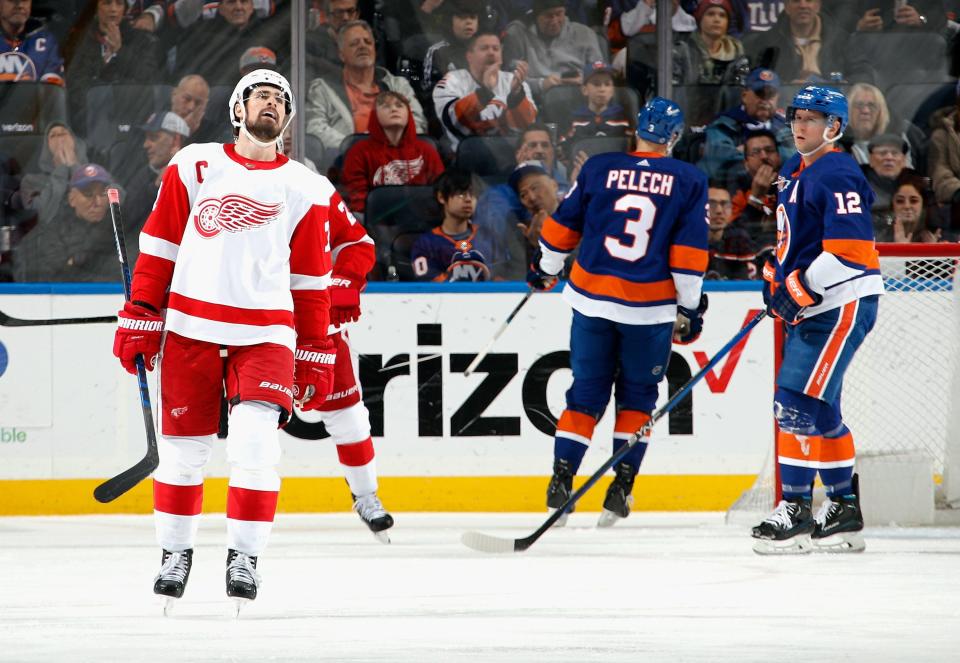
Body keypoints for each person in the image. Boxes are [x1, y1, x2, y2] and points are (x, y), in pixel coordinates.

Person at [111, 69, 340, 608]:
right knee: (183, 454)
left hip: (266, 334)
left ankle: (245, 556)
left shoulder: (305, 187)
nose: (271, 103)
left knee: (256, 445)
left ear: (287, 119)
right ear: (238, 110)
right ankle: (174, 553)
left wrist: (314, 351)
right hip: (190, 328)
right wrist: (143, 310)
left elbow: (310, 281)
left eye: (281, 99)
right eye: (260, 95)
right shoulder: (194, 165)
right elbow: (160, 244)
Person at [527, 96, 709, 527]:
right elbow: (687, 254)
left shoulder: (599, 168)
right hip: (649, 311)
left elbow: (561, 228)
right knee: (639, 398)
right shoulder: (688, 179)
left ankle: (561, 479)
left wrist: (546, 270)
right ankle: (620, 487)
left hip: (591, 299)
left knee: (586, 393)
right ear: (674, 139)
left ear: (637, 131)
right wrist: (689, 307)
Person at [751, 85, 884, 554]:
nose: (799, 125)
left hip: (840, 303)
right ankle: (844, 510)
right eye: (796, 116)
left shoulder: (840, 172)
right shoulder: (794, 169)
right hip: (818, 304)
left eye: (812, 118)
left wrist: (797, 287)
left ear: (835, 126)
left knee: (792, 405)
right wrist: (777, 270)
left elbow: (850, 253)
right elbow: (796, 235)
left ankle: (796, 508)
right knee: (821, 410)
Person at [314, 168, 396, 542]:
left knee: (348, 415)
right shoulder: (232, 187)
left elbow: (357, 244)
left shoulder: (311, 188)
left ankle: (366, 496)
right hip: (257, 327)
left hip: (318, 325)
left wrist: (345, 280)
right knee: (254, 422)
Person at [305, 20, 427, 155]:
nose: (363, 46)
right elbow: (314, 128)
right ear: (341, 54)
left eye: (368, 42)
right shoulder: (322, 88)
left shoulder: (397, 85)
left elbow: (418, 123)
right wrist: (357, 147)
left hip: (396, 158)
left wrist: (393, 146)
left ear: (374, 49)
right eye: (354, 43)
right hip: (347, 160)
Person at [472, 124, 566, 279]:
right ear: (519, 154)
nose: (539, 150)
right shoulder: (497, 195)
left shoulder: (572, 191)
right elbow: (495, 240)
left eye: (545, 145)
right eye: (532, 145)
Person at [62, 0, 162, 132]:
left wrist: (119, 51)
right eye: (107, 3)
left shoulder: (142, 40)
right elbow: (76, 88)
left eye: (119, 3)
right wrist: (106, 62)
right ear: (96, 8)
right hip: (90, 125)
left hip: (132, 124)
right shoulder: (81, 41)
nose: (113, 9)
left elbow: (147, 78)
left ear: (125, 9)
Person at [340, 91, 444, 215]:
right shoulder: (359, 152)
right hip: (375, 220)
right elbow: (357, 197)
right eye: (386, 106)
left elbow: (440, 190)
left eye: (399, 105)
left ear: (408, 114)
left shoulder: (427, 150)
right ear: (375, 114)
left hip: (420, 220)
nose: (394, 109)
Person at [432, 30, 537, 150]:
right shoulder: (452, 81)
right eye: (484, 48)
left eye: (496, 48)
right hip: (467, 155)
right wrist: (485, 93)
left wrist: (516, 97)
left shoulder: (515, 83)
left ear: (501, 56)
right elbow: (454, 123)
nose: (491, 53)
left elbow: (527, 128)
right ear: (469, 56)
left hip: (511, 154)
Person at [14, 162, 119, 281]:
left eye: (103, 193)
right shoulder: (52, 232)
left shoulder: (120, 227)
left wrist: (76, 262)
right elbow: (52, 278)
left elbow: (127, 269)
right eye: (88, 194)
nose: (98, 202)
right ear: (71, 199)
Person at [699, 67, 793, 181]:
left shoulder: (785, 126)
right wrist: (774, 155)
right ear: (744, 96)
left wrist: (747, 153)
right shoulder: (723, 125)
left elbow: (797, 158)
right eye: (760, 93)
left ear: (777, 97)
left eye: (770, 94)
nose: (765, 100)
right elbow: (719, 162)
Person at [501, 0, 604, 99]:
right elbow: (508, 79)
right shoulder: (516, 34)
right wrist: (541, 84)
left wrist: (584, 80)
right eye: (548, 16)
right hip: (535, 101)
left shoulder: (584, 33)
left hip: (579, 96)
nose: (554, 21)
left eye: (559, 14)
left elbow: (600, 73)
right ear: (536, 16)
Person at [411, 168, 489, 282]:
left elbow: (502, 276)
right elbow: (429, 283)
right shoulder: (425, 244)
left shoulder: (488, 235)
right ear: (441, 197)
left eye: (472, 194)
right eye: (461, 194)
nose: (468, 199)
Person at [558, 61, 632, 161]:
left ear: (613, 91)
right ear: (584, 90)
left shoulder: (624, 119)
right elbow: (563, 150)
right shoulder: (574, 120)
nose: (602, 89)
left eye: (607, 84)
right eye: (596, 84)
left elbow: (632, 148)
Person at [846, 83, 924, 170]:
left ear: (880, 112)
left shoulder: (902, 136)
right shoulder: (835, 143)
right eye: (859, 105)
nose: (865, 111)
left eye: (872, 105)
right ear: (848, 110)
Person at [673, 0, 748, 86]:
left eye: (722, 15)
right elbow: (671, 88)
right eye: (711, 14)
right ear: (700, 19)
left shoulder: (736, 50)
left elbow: (740, 87)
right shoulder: (682, 49)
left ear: (728, 22)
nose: (717, 19)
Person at [0, 0, 64, 85]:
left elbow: (54, 85)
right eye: (12, 0)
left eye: (25, 0)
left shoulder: (45, 41)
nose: (19, 5)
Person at [875, 172, 943, 243]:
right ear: (892, 206)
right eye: (900, 201)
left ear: (923, 205)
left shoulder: (937, 237)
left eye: (914, 201)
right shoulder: (879, 237)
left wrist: (933, 251)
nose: (907, 206)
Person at [705, 183, 754, 279]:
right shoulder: (688, 242)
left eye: (724, 204)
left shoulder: (739, 241)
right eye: (711, 204)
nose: (719, 210)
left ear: (731, 209)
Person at [861, 133, 910, 216]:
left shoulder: (915, 186)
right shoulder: (859, 187)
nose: (889, 157)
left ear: (904, 160)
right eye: (882, 153)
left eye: (895, 153)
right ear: (871, 159)